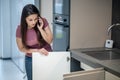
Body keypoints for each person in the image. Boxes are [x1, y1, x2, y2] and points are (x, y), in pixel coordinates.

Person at [16, 4, 53, 80]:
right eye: (30, 20)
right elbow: (21, 48)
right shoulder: (20, 30)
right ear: (24, 19)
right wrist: (37, 51)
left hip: (47, 55)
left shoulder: (43, 21)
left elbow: (49, 41)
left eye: (36, 19)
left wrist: (40, 29)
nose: (34, 22)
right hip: (30, 58)